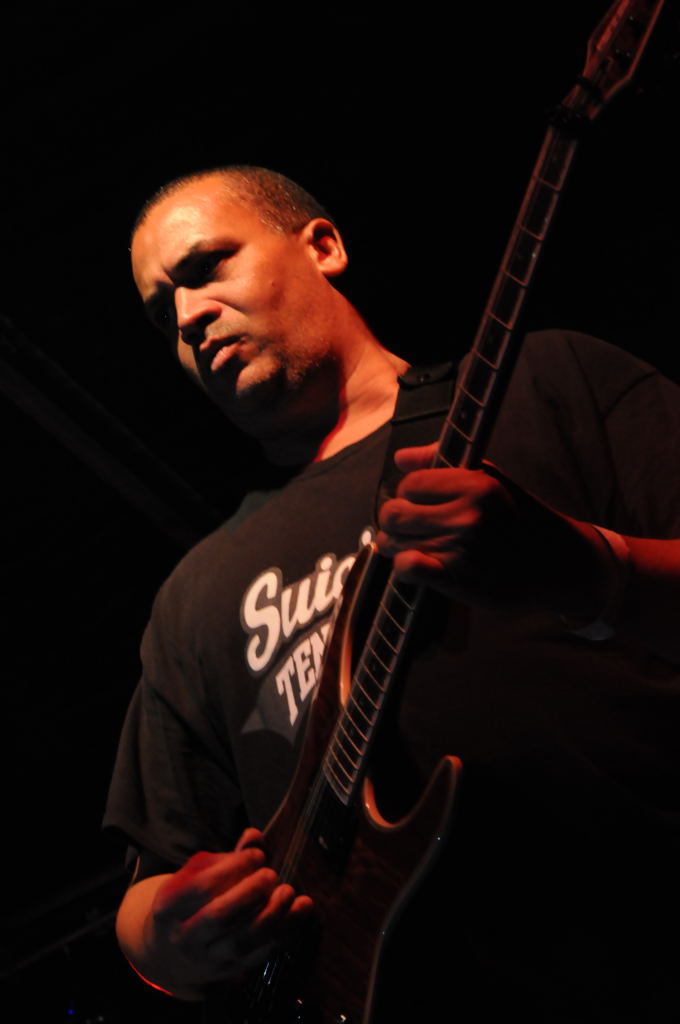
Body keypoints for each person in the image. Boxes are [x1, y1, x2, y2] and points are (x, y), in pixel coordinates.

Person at [105, 165, 680, 1021]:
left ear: (323, 246)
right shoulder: (195, 596)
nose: (188, 317)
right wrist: (170, 940)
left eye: (207, 267)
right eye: (163, 312)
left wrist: (588, 569)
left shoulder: (544, 381)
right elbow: (151, 883)